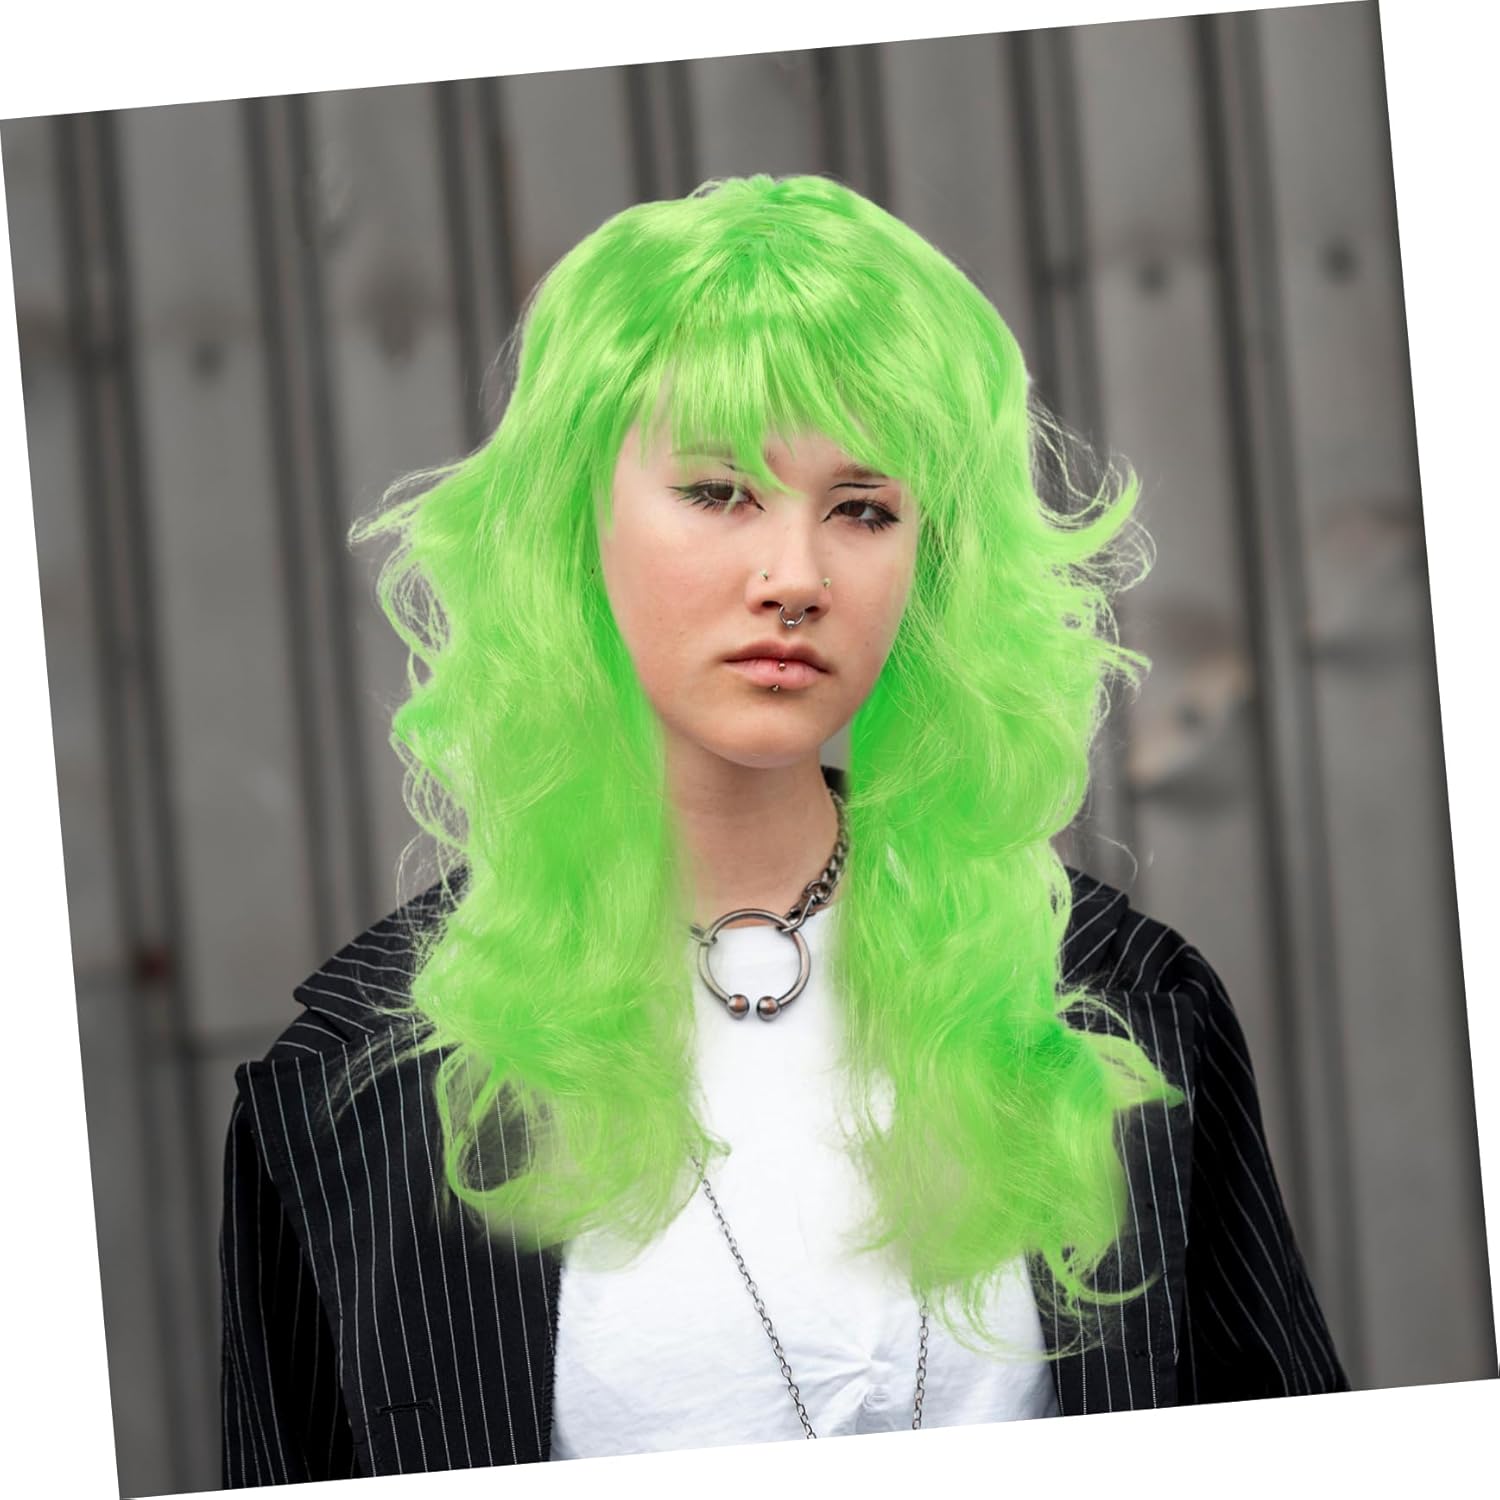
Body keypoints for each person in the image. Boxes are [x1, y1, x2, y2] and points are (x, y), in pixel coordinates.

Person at [218, 173, 1347, 1486]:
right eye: (718, 492)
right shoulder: (363, 1081)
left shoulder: (1111, 1005)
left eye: (863, 509)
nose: (795, 578)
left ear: (935, 558)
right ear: (573, 522)